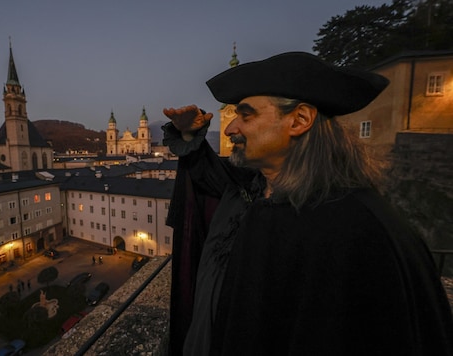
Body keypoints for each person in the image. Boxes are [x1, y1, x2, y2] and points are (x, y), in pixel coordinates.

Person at [162, 52, 453, 355]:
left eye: (246, 115)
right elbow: (208, 179)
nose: (229, 129)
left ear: (299, 120)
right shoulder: (252, 189)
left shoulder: (360, 230)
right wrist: (190, 135)